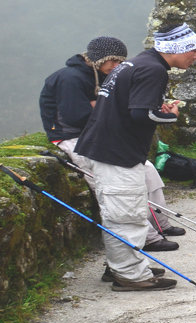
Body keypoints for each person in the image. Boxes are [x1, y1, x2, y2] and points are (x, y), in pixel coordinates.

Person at [74, 23, 196, 291]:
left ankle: (122, 266)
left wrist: (156, 107)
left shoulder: (139, 63)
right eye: (193, 49)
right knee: (126, 214)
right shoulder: (154, 70)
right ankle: (130, 276)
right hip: (117, 152)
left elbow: (135, 106)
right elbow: (140, 114)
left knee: (119, 212)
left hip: (107, 147)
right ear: (176, 48)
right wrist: (169, 115)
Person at [40, 36, 183, 253]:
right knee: (114, 186)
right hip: (73, 138)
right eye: (112, 61)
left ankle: (160, 222)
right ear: (98, 60)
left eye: (120, 61)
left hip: (97, 134)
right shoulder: (71, 78)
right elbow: (77, 116)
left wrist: (101, 105)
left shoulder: (99, 76)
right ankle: (148, 238)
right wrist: (108, 107)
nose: (116, 66)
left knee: (147, 169)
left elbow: (105, 108)